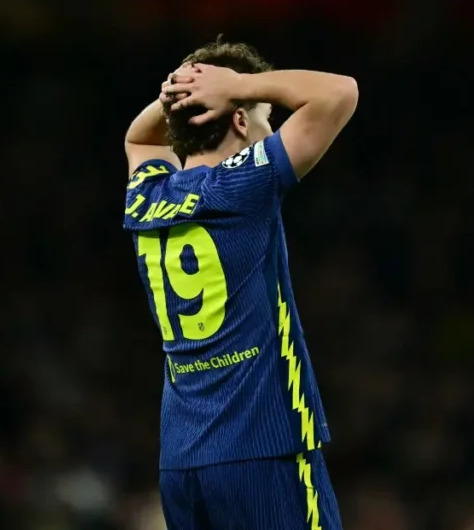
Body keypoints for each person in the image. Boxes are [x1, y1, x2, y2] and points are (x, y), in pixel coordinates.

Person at [122, 40, 358, 529]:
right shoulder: (242, 185)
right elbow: (340, 92)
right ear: (239, 119)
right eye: (265, 115)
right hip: (263, 448)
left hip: (182, 463)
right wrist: (238, 85)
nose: (272, 127)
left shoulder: (146, 195)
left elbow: (139, 139)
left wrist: (180, 92)